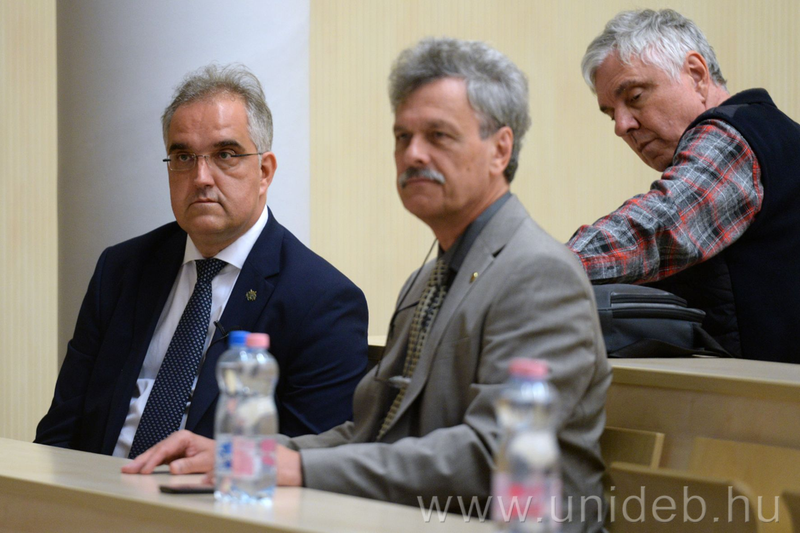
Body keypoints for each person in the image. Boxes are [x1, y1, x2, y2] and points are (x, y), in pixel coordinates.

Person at [125, 39, 610, 531]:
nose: (412, 154)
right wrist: (250, 456)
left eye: (438, 135)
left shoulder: (539, 273)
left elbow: (497, 457)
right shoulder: (426, 280)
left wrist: (296, 468)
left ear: (499, 149)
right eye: (403, 136)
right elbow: (370, 433)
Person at [35, 64, 369, 458]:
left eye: (225, 154)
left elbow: (310, 464)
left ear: (264, 172)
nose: (201, 177)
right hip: (94, 489)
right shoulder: (122, 270)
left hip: (220, 495)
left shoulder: (322, 301)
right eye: (183, 157)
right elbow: (60, 431)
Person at [568, 9, 800, 362]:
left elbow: (659, 226)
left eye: (635, 97)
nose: (621, 126)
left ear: (696, 74)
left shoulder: (733, 136)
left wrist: (540, 270)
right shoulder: (775, 136)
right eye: (611, 113)